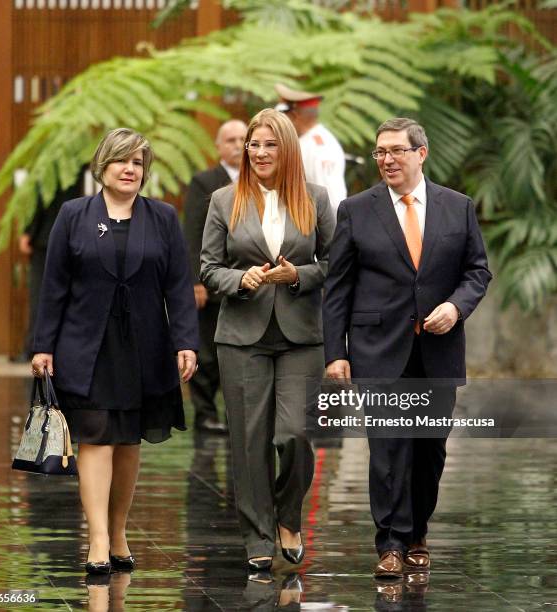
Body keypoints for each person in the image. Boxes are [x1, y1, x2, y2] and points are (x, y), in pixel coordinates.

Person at [322, 118, 492, 578]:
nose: (387, 160)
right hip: (379, 348)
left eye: (396, 151)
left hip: (438, 351)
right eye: (380, 152)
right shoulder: (356, 209)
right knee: (387, 447)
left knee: (429, 451)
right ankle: (391, 545)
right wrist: (335, 352)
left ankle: (418, 533)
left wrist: (456, 309)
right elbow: (338, 287)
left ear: (421, 153)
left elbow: (477, 272)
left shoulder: (458, 208)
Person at [31, 128, 199, 575]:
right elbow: (54, 286)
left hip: (144, 345)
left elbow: (179, 286)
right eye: (121, 161)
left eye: (138, 163)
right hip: (86, 343)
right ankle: (98, 538)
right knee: (96, 436)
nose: (130, 169)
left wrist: (186, 340)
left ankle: (119, 529)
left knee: (128, 440)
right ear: (101, 166)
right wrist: (42, 344)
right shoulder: (73, 214)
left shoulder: (163, 217)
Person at [200, 108, 335, 571]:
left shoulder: (315, 199)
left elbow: (336, 264)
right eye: (252, 144)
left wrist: (299, 273)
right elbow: (208, 268)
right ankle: (257, 536)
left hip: (301, 336)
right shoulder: (223, 200)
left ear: (287, 150)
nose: (258, 152)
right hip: (241, 337)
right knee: (249, 440)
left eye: (269, 144)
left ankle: (288, 518)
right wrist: (242, 279)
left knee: (294, 434)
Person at [183, 119, 248, 434]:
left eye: (243, 139)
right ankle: (205, 413)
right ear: (219, 146)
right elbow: (193, 231)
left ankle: (235, 415)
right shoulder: (204, 181)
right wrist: (196, 280)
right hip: (211, 280)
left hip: (247, 280)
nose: (238, 145)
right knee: (206, 354)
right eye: (231, 139)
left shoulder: (261, 178)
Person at [16, 168, 85, 362]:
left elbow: (39, 202)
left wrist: (29, 231)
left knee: (40, 294)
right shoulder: (76, 167)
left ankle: (34, 347)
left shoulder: (49, 167)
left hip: (44, 240)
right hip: (70, 238)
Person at [275, 83, 347, 213]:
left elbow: (331, 200)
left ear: (294, 114)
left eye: (284, 113)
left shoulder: (319, 148)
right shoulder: (305, 141)